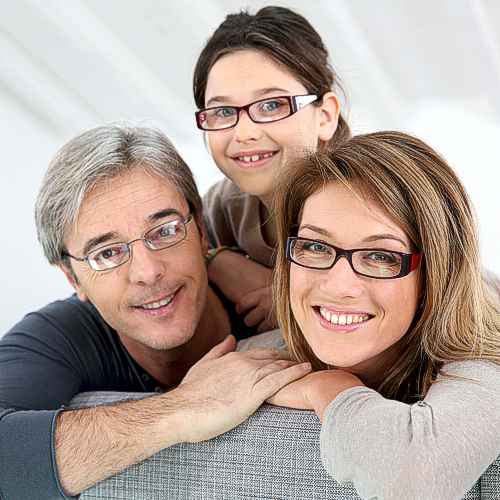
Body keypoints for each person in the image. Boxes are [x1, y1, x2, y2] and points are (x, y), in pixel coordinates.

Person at [0, 125, 312, 500]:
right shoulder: (57, 335)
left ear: (200, 231)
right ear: (72, 278)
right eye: (107, 253)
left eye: (164, 231)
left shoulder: (270, 297)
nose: (148, 272)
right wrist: (183, 407)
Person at [268, 131, 500, 499]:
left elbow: (415, 480)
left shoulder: (487, 358)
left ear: (438, 273)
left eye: (381, 256)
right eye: (314, 245)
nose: (339, 285)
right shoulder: (259, 353)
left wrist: (331, 387)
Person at [193, 6, 350, 333]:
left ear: (325, 116)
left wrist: (293, 302)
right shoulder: (229, 203)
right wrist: (217, 260)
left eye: (271, 105)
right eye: (222, 111)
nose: (244, 133)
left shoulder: (369, 202)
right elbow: (181, 245)